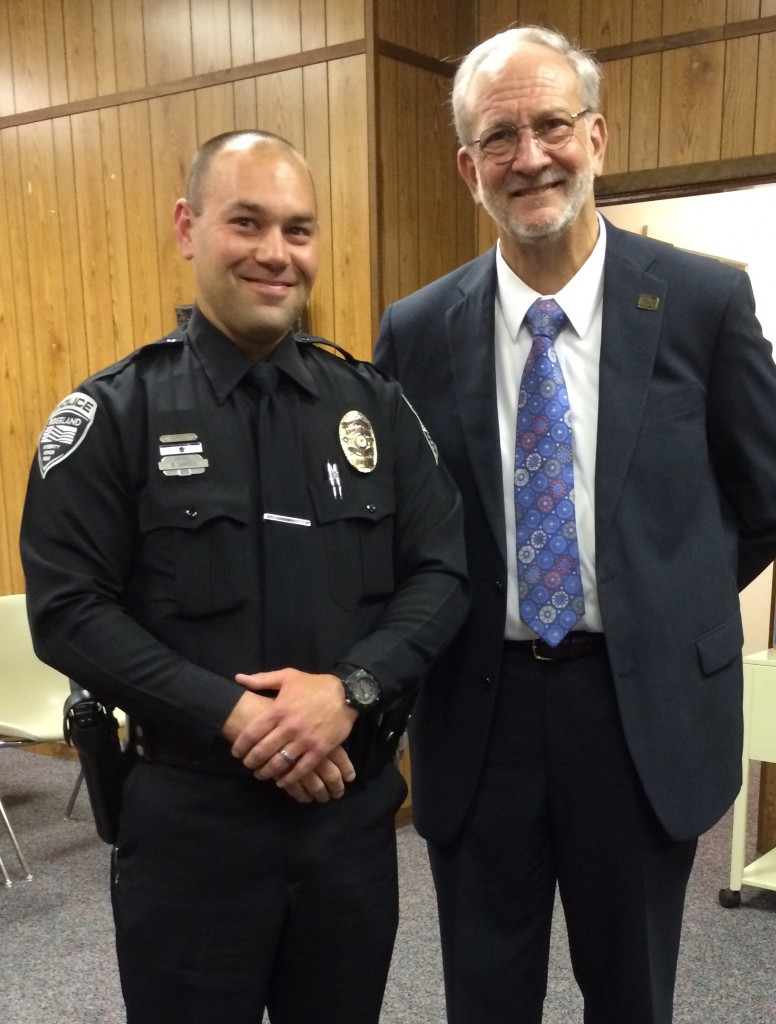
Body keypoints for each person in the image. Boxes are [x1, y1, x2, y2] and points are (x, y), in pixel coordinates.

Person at [374, 24, 776, 1024]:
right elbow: (402, 530)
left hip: (636, 715)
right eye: (498, 138)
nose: (530, 157)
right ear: (468, 167)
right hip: (479, 710)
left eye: (551, 125)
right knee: (485, 997)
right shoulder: (414, 331)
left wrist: (658, 597)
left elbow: (763, 499)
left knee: (631, 995)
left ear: (595, 136)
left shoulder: (703, 303)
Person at [20, 130, 469, 1024]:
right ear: (188, 229)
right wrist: (238, 716)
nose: (276, 252)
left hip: (344, 819)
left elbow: (444, 572)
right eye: (247, 223)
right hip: (189, 829)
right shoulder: (115, 413)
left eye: (298, 230)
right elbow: (67, 610)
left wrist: (348, 690)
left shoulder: (373, 407)